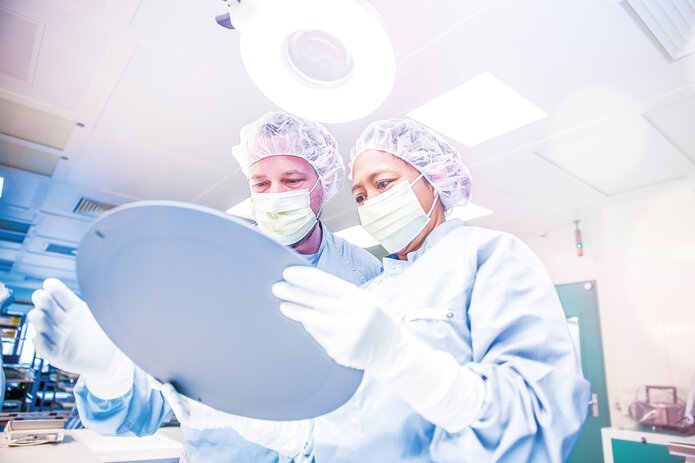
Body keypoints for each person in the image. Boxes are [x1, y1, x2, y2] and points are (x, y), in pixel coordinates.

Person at [165, 118, 589, 462]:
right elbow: (338, 432)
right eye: (361, 195)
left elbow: (537, 421)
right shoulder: (373, 292)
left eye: (383, 184)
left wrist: (400, 359)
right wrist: (254, 425)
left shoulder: (489, 255)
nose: (371, 203)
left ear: (435, 177)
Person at [28, 111, 382, 462]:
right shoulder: (209, 270)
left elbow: (384, 407)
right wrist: (106, 373)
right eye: (260, 183)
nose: (275, 196)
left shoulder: (367, 276)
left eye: (292, 181)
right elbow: (141, 413)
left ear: (324, 181)